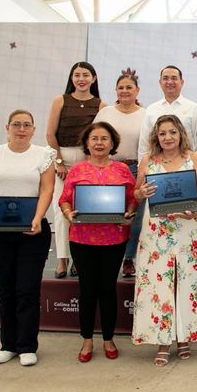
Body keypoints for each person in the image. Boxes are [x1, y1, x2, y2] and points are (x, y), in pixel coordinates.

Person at [0, 110, 56, 366]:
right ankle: (8, 344)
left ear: (33, 129)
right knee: (6, 291)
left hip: (32, 232)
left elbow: (46, 189)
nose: (21, 129)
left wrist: (38, 217)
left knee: (28, 290)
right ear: (7, 127)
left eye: (26, 125)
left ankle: (27, 346)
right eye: (16, 124)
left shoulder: (43, 155)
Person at [132, 115, 197, 366]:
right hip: (156, 231)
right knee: (158, 285)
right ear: (156, 136)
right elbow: (135, 194)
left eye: (172, 132)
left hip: (187, 228)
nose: (167, 137)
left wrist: (194, 209)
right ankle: (163, 341)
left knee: (187, 282)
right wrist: (140, 192)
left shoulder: (195, 159)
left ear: (181, 134)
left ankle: (185, 337)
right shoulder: (148, 160)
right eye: (162, 133)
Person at [58, 122, 137, 363]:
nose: (99, 143)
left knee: (107, 290)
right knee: (87, 290)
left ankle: (108, 338)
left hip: (114, 239)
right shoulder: (77, 170)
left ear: (112, 143)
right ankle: (87, 339)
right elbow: (64, 200)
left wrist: (129, 215)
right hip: (82, 239)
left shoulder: (122, 170)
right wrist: (69, 214)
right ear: (87, 143)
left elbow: (132, 199)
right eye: (94, 138)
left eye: (104, 139)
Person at [46, 61, 106, 279]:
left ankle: (79, 260)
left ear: (94, 78)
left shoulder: (101, 105)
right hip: (61, 159)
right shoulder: (60, 101)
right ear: (71, 78)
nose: (81, 79)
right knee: (60, 212)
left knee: (83, 212)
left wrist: (89, 163)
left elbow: (100, 137)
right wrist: (59, 161)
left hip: (86, 161)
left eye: (85, 75)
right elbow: (50, 134)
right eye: (77, 75)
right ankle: (62, 260)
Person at [94, 72, 146, 278]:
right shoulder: (105, 113)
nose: (125, 91)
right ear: (116, 90)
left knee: (134, 217)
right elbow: (94, 139)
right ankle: (105, 256)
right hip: (108, 169)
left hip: (136, 169)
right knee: (107, 215)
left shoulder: (146, 114)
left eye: (129, 88)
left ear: (137, 91)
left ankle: (129, 259)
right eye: (121, 88)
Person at [137, 65, 197, 161]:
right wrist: (142, 167)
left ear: (182, 82)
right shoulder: (151, 109)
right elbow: (144, 143)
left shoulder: (194, 108)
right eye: (165, 78)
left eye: (174, 78)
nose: (170, 82)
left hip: (187, 165)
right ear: (160, 82)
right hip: (157, 166)